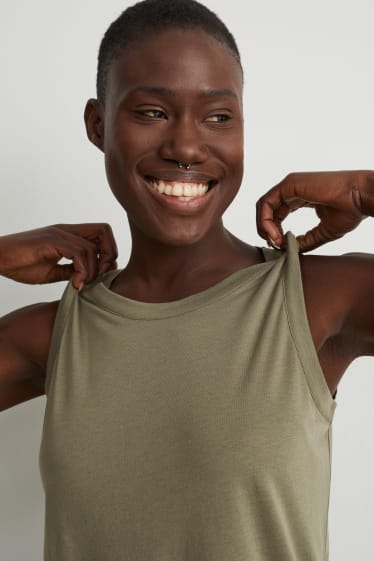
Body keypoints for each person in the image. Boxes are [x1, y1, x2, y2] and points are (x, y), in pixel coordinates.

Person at [0, 0, 373, 559]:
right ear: (98, 125)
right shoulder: (55, 334)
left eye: (218, 117)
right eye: (151, 112)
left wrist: (368, 189)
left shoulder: (319, 299)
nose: (187, 147)